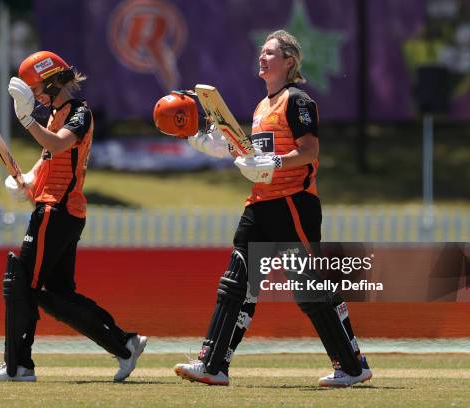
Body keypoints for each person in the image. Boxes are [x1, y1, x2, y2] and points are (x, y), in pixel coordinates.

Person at [156, 30, 372, 387]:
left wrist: (273, 161)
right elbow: (249, 154)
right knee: (235, 285)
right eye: (261, 52)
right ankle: (213, 365)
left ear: (290, 61)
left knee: (309, 289)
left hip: (292, 204)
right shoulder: (260, 108)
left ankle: (351, 366)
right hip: (259, 204)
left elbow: (309, 152)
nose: (262, 57)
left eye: (270, 53)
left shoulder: (297, 100)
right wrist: (203, 140)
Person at [0, 51, 146, 382]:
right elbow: (44, 166)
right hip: (59, 210)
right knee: (55, 295)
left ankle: (19, 366)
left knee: (20, 283)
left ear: (54, 81)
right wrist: (22, 180)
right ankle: (125, 344)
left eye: (37, 89)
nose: (36, 97)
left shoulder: (78, 114)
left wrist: (28, 121)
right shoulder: (56, 117)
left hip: (57, 211)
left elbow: (57, 146)